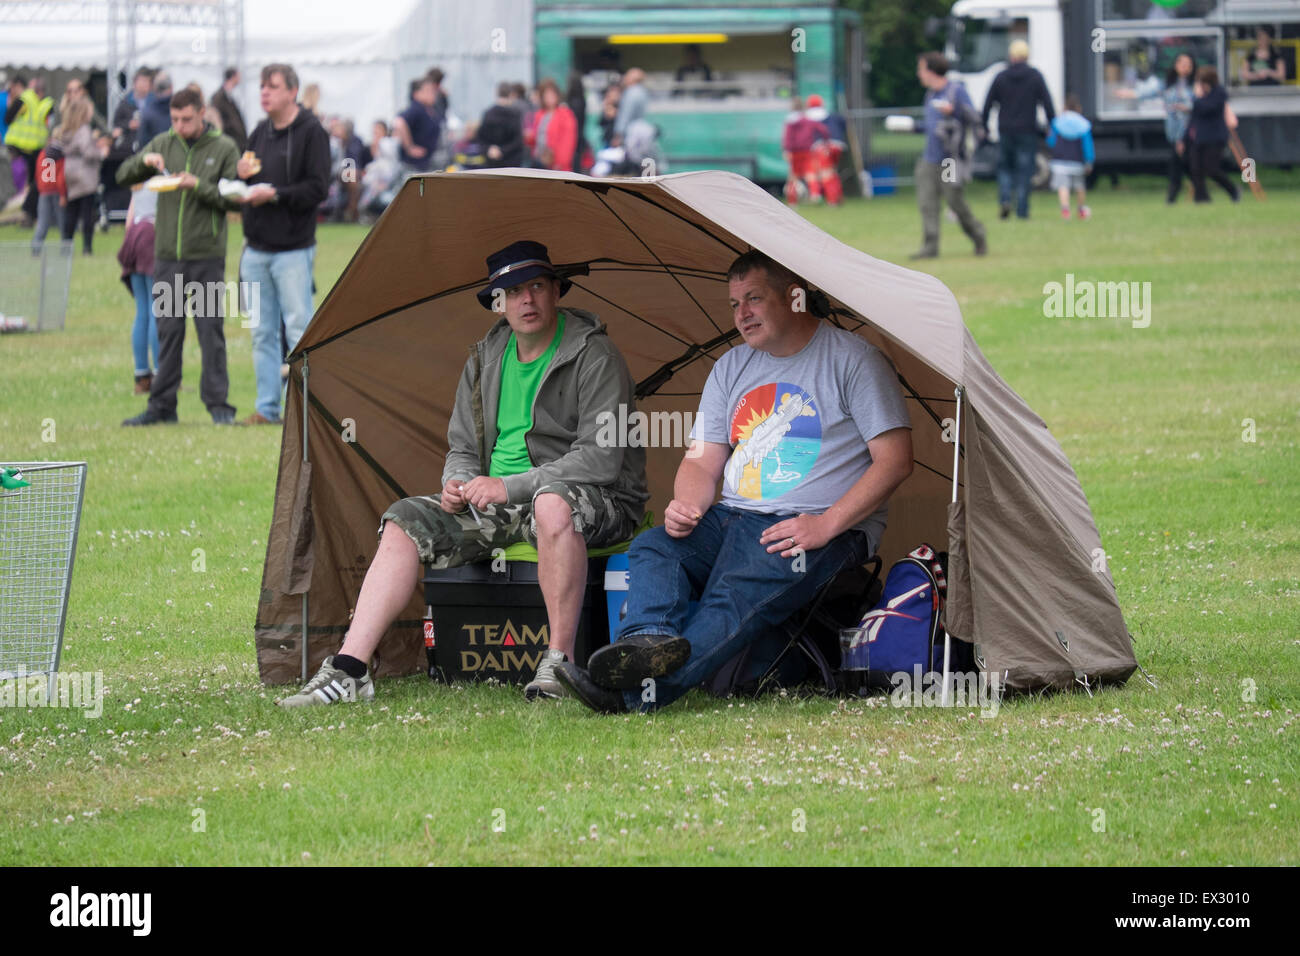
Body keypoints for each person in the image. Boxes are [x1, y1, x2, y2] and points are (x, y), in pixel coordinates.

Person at [279, 240, 649, 707]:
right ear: (499, 302)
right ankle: (351, 669)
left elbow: (601, 458)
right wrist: (458, 482)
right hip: (497, 503)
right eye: (513, 292)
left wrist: (507, 486)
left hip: (593, 499)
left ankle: (559, 663)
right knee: (402, 520)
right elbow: (462, 447)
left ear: (557, 290)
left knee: (551, 503)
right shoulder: (485, 357)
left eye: (536, 286)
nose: (526, 300)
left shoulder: (595, 355)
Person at [554, 250, 914, 714]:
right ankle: (648, 640)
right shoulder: (731, 367)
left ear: (795, 297)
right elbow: (703, 463)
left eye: (754, 299)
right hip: (731, 517)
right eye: (734, 304)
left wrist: (826, 525)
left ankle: (631, 695)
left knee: (733, 593)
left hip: (814, 527)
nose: (742, 314)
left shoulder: (855, 361)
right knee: (654, 547)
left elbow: (895, 461)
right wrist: (688, 506)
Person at [117, 85, 243, 426]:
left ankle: (219, 406)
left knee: (209, 332)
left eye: (186, 119)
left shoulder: (223, 148)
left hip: (205, 256)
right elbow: (122, 174)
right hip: (167, 256)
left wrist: (196, 185)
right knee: (169, 333)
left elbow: (233, 198)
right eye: (174, 119)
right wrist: (144, 162)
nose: (180, 126)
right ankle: (162, 408)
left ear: (202, 113)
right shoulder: (163, 143)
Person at [237, 63, 331, 426]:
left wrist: (275, 195)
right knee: (261, 333)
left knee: (298, 331)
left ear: (292, 91)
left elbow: (318, 188)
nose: (264, 92)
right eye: (261, 86)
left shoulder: (311, 132)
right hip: (256, 249)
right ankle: (267, 408)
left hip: (292, 249)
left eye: (272, 86)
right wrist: (240, 177)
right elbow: (244, 176)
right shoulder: (259, 131)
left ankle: (307, 411)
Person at [912, 52, 987, 259]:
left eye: (921, 69)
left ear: (931, 71)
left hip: (949, 160)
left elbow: (974, 118)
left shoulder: (956, 92)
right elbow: (930, 126)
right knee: (927, 204)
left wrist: (953, 112)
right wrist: (911, 127)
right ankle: (930, 247)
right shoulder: (929, 96)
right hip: (929, 158)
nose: (919, 74)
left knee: (955, 202)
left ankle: (978, 235)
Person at [981, 39, 1054, 219]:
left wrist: (984, 126)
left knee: (1005, 167)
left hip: (1005, 129)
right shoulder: (1035, 76)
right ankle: (1022, 209)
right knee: (1025, 169)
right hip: (1028, 130)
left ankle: (1005, 199)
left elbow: (988, 103)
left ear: (1011, 56)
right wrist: (1052, 123)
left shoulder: (1001, 76)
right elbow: (1047, 102)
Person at [117, 184, 159, 393]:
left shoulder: (138, 174)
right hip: (153, 235)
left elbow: (130, 217)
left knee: (142, 310)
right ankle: (162, 374)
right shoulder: (166, 173)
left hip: (134, 236)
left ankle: (141, 375)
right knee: (158, 310)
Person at [52, 98, 105, 255]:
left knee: (71, 213)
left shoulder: (66, 131)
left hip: (70, 173)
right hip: (86, 176)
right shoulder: (84, 130)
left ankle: (66, 246)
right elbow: (88, 152)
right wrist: (100, 153)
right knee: (87, 213)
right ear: (84, 113)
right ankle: (87, 248)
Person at [1184, 65, 1240, 204]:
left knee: (1212, 168)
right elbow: (1195, 116)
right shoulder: (1201, 96)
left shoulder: (1219, 93)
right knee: (1195, 168)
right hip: (1199, 136)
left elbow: (1207, 109)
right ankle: (1202, 198)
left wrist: (1197, 98)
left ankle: (1233, 190)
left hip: (1215, 136)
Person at [5, 74, 53, 226]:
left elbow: (8, 117)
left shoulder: (25, 99)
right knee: (35, 183)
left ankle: (26, 213)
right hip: (32, 150)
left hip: (19, 149)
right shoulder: (46, 104)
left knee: (29, 184)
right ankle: (28, 213)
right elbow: (49, 125)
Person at [1046, 93, 1094, 220]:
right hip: (1077, 161)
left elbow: (1051, 141)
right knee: (1079, 186)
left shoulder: (1057, 122)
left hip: (1060, 161)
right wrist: (1089, 161)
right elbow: (1087, 145)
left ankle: (1065, 210)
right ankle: (1081, 210)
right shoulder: (1083, 124)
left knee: (1063, 186)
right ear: (1078, 108)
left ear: (1065, 108)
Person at [781, 96, 829, 205]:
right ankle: (815, 195)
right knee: (810, 174)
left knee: (793, 176)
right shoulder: (808, 120)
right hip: (807, 151)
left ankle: (792, 200)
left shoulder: (790, 122)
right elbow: (823, 130)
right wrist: (825, 141)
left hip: (794, 151)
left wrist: (786, 150)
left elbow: (787, 137)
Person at [1162, 52, 1195, 204]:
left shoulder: (1194, 86)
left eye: (1188, 65)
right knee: (1186, 166)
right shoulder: (1169, 85)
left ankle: (1172, 198)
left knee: (1180, 166)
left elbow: (1189, 111)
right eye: (1182, 64)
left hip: (1188, 132)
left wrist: (1181, 138)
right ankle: (1201, 194)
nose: (1185, 68)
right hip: (1173, 132)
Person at [526, 77, 578, 171]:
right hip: (539, 161)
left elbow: (567, 142)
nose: (549, 98)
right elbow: (536, 137)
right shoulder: (540, 114)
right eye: (546, 95)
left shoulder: (565, 114)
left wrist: (560, 163)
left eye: (552, 94)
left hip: (556, 165)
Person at [393, 76, 441, 175]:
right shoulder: (416, 108)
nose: (432, 94)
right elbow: (399, 122)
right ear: (416, 94)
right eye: (427, 91)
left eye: (432, 91)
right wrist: (410, 147)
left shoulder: (429, 109)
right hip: (415, 167)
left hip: (427, 164)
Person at [477, 82, 525, 168]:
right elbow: (518, 141)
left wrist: (489, 149)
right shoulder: (515, 115)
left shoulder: (488, 114)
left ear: (497, 93)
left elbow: (481, 139)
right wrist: (502, 151)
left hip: (491, 164)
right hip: (511, 165)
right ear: (511, 95)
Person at [30, 138, 64, 255]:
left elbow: (37, 173)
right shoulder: (60, 155)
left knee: (42, 223)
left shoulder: (42, 154)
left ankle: (36, 249)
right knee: (62, 222)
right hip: (56, 192)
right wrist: (63, 194)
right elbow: (60, 178)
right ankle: (65, 250)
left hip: (44, 191)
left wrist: (41, 188)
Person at [211, 67, 248, 152]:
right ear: (233, 77)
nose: (240, 79)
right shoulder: (219, 98)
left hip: (236, 143)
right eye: (238, 76)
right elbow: (217, 121)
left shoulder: (229, 96)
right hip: (230, 143)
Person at [611, 68, 649, 147]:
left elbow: (625, 114)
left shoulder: (631, 93)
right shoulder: (643, 92)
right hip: (640, 132)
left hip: (630, 133)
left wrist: (618, 135)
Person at [137, 71, 173, 144]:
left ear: (154, 88)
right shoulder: (179, 108)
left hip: (154, 152)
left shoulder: (148, 111)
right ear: (171, 87)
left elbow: (142, 141)